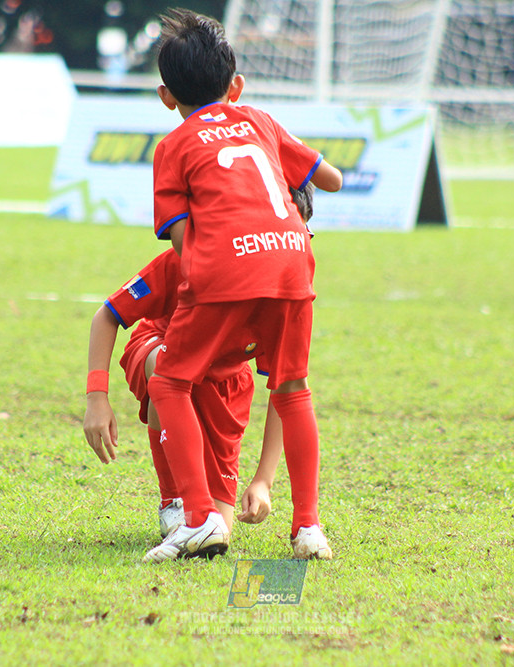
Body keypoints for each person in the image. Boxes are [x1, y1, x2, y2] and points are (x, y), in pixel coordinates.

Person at [142, 8, 342, 563]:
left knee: (169, 382)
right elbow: (331, 180)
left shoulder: (173, 145)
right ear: (236, 85)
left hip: (227, 268)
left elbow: (181, 240)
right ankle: (308, 528)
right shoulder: (260, 120)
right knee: (293, 389)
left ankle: (199, 518)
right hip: (293, 263)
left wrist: (207, 279)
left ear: (166, 98)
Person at [82, 185, 315, 539]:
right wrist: (97, 397)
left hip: (226, 384)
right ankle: (174, 500)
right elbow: (108, 315)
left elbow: (287, 389)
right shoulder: (190, 260)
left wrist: (263, 481)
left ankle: (212, 510)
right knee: (167, 370)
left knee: (218, 532)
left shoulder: (285, 291)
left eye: (300, 236)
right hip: (161, 348)